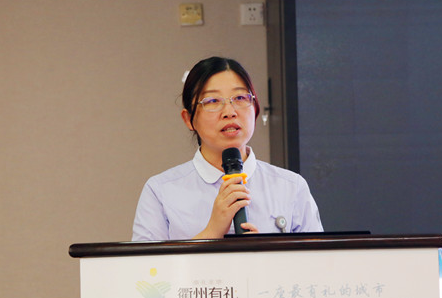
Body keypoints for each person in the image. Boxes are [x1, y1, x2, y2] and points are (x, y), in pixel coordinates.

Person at [132, 56, 323, 241]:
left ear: (255, 109)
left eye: (240, 98)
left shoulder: (291, 187)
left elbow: (318, 260)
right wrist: (212, 231)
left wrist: (266, 254)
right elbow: (146, 264)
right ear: (188, 119)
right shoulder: (160, 191)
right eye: (212, 101)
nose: (229, 112)